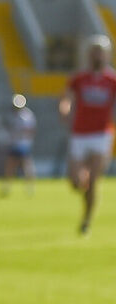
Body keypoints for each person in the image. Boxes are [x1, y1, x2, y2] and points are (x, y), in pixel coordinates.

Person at [58, 35, 116, 234]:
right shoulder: (79, 78)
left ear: (107, 54)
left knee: (93, 181)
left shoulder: (112, 79)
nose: (97, 55)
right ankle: (83, 182)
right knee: (75, 182)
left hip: (101, 134)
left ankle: (86, 220)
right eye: (94, 51)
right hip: (80, 133)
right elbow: (66, 97)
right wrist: (64, 109)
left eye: (101, 51)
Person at [0, 93, 36, 195]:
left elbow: (30, 130)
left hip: (23, 144)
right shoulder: (12, 115)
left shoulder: (27, 116)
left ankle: (30, 187)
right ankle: (6, 186)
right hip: (14, 143)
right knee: (10, 166)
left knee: (26, 166)